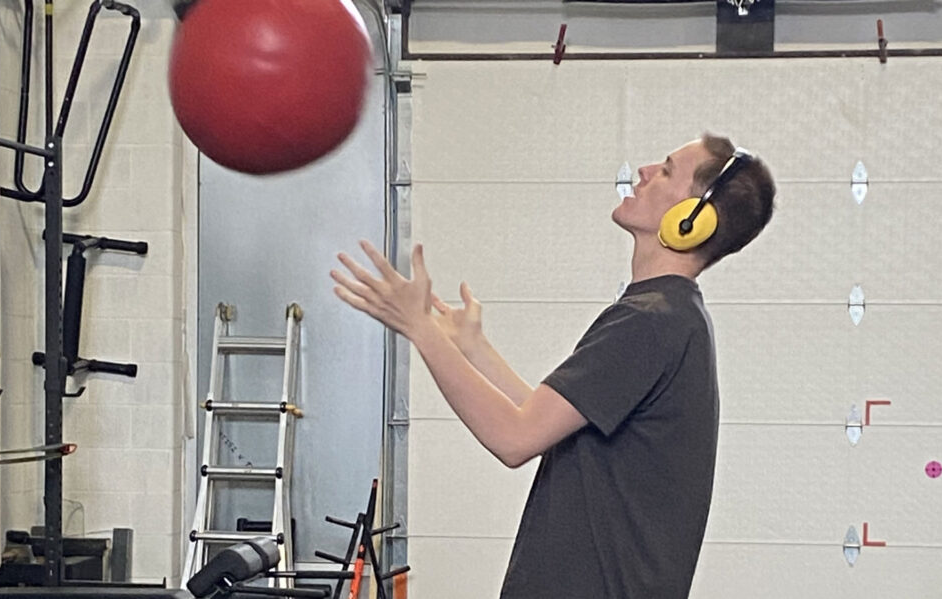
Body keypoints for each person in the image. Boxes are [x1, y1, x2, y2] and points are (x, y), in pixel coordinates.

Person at [331, 133, 776, 598]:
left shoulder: (651, 322)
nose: (644, 172)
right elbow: (549, 426)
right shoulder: (667, 315)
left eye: (665, 170)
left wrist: (418, 328)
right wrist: (474, 349)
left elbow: (514, 439)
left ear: (692, 220)